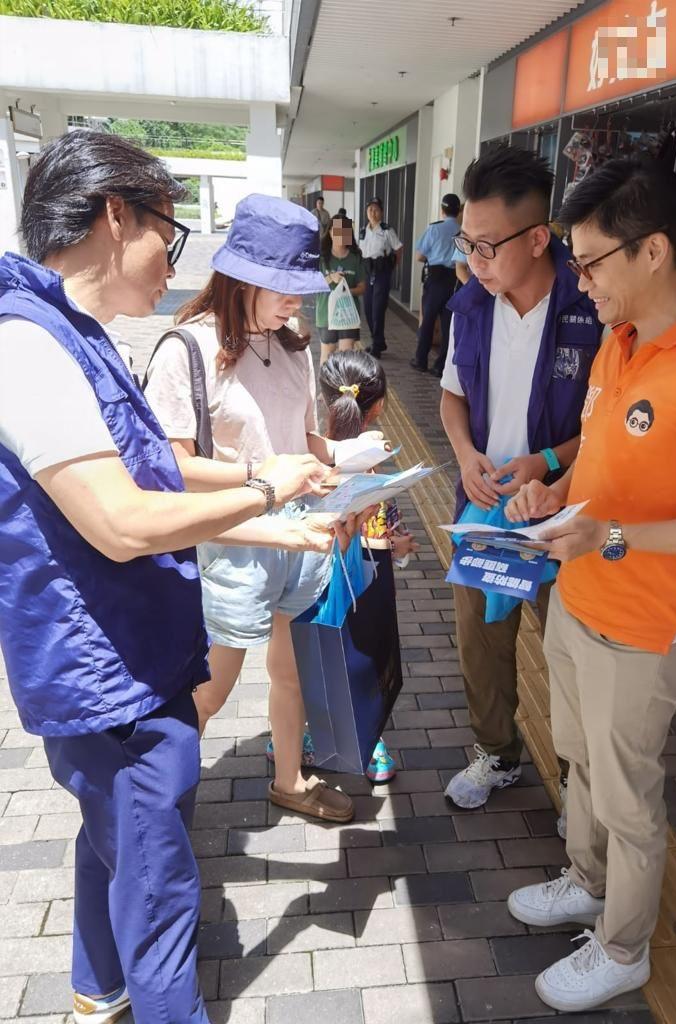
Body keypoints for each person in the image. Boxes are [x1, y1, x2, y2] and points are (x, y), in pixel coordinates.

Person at [0, 130, 334, 1024]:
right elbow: (119, 521)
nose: (172, 263)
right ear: (117, 218)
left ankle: (96, 988)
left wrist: (274, 497)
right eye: (170, 235)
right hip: (105, 675)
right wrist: (265, 487)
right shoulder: (31, 348)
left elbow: (153, 463)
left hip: (129, 654)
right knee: (159, 890)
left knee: (114, 847)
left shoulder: (78, 334)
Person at [504, 159, 676, 1013]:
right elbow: (604, 453)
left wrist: (612, 535)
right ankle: (586, 883)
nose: (579, 283)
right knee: (580, 763)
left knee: (629, 796)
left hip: (647, 627)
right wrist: (552, 485)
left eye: (590, 263)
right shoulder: (619, 343)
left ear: (653, 251)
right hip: (578, 601)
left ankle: (624, 948)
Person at [145, 194, 363, 826]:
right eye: (284, 288)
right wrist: (258, 475)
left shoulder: (294, 347)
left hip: (302, 537)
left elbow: (304, 442)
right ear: (241, 276)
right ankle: (158, 814)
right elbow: (171, 467)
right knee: (208, 692)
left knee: (293, 673)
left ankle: (290, 779)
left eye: (302, 288)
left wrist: (348, 465)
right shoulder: (187, 349)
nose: (298, 302)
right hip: (234, 539)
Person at [439, 145, 602, 810]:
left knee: (569, 658)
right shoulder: (472, 306)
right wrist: (464, 454)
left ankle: (575, 782)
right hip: (485, 510)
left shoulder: (590, 307)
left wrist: (550, 462)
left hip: (563, 515)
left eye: (487, 245)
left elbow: (610, 423)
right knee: (480, 642)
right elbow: (452, 394)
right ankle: (497, 755)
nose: (474, 261)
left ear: (539, 238)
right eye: (467, 243)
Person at [318, 350, 419, 781]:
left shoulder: (310, 450)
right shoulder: (370, 457)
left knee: (315, 657)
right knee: (361, 658)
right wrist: (401, 547)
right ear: (377, 407)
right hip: (365, 581)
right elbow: (381, 534)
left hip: (311, 579)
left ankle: (300, 733)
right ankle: (365, 741)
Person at [411, 192, 461, 376]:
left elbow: (419, 256)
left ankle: (421, 360)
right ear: (459, 211)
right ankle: (441, 366)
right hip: (455, 279)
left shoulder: (434, 229)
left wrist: (433, 256)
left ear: (442, 210)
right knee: (449, 325)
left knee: (428, 321)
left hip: (435, 277)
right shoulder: (463, 231)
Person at [316, 214, 366, 364]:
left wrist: (345, 292)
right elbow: (313, 283)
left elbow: (362, 287)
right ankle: (326, 388)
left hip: (348, 314)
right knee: (327, 355)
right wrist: (331, 278)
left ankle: (344, 388)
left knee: (346, 356)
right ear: (330, 232)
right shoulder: (322, 258)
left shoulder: (355, 258)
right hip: (326, 315)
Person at [359, 196, 402, 357]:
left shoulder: (386, 230)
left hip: (382, 272)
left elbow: (398, 248)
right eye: (370, 209)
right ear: (366, 212)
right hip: (367, 271)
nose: (373, 212)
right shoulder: (363, 231)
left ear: (381, 212)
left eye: (376, 209)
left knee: (378, 309)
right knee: (368, 308)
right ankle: (377, 340)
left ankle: (377, 345)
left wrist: (392, 267)